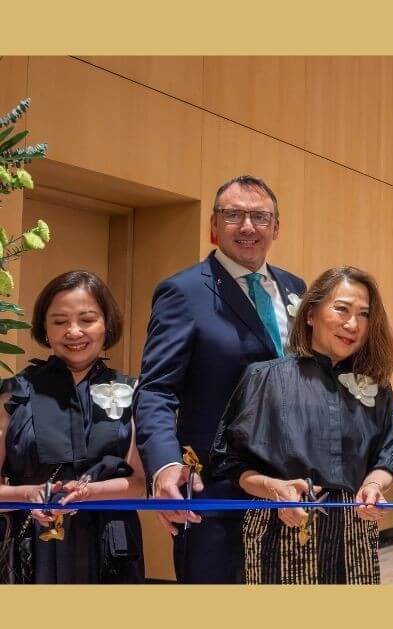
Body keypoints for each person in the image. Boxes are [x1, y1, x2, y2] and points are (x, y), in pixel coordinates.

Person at [133, 175, 306, 583]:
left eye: (259, 216)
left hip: (288, 485)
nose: (247, 226)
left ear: (276, 227)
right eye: (233, 215)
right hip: (214, 488)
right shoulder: (184, 291)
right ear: (214, 226)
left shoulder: (297, 289)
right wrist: (163, 466)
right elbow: (156, 389)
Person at [210, 267, 393, 584]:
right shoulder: (264, 377)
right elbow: (229, 461)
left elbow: (388, 454)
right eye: (341, 309)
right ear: (311, 313)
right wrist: (274, 488)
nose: (352, 324)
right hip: (279, 527)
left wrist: (372, 487)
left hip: (353, 533)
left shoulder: (376, 387)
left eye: (364, 314)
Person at [0, 271, 145, 583]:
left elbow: (142, 484)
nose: (74, 331)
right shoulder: (11, 393)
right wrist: (32, 494)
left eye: (87, 319)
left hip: (112, 547)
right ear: (44, 329)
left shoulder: (133, 391)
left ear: (107, 324)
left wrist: (89, 493)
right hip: (28, 549)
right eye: (60, 321)